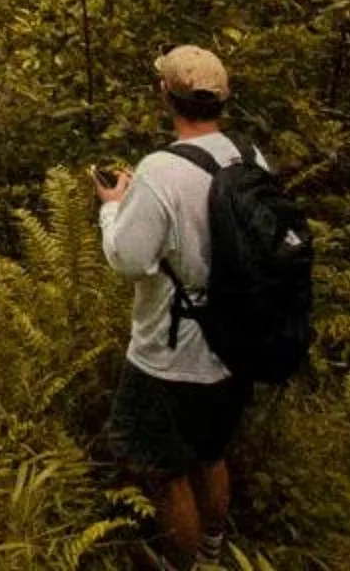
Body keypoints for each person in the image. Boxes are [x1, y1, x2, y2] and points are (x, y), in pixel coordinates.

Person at [95, 45, 254, 567]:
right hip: (234, 343)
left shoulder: (160, 170)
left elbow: (128, 259)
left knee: (164, 472)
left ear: (166, 94)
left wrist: (113, 209)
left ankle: (189, 566)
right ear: (223, 101)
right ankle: (213, 551)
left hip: (170, 353)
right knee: (211, 453)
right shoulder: (249, 158)